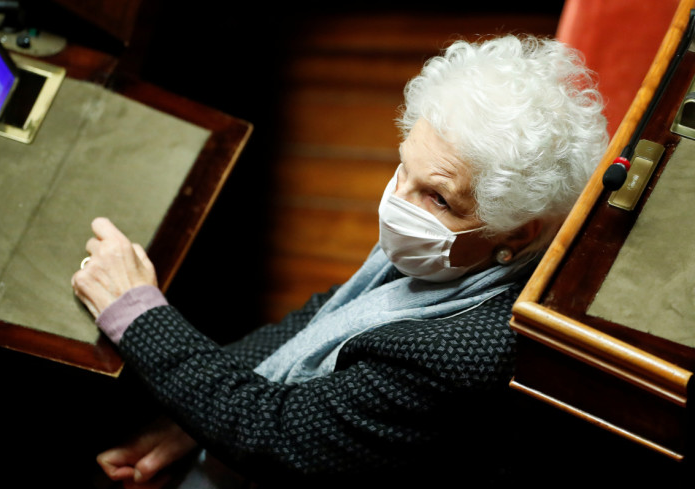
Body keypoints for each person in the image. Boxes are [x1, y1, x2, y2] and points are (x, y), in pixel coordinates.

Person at [71, 34, 608, 487]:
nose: (398, 203)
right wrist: (191, 420)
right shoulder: (459, 250)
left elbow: (277, 434)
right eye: (404, 169)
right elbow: (322, 318)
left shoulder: (462, 355)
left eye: (436, 197)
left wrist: (137, 312)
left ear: (518, 231)